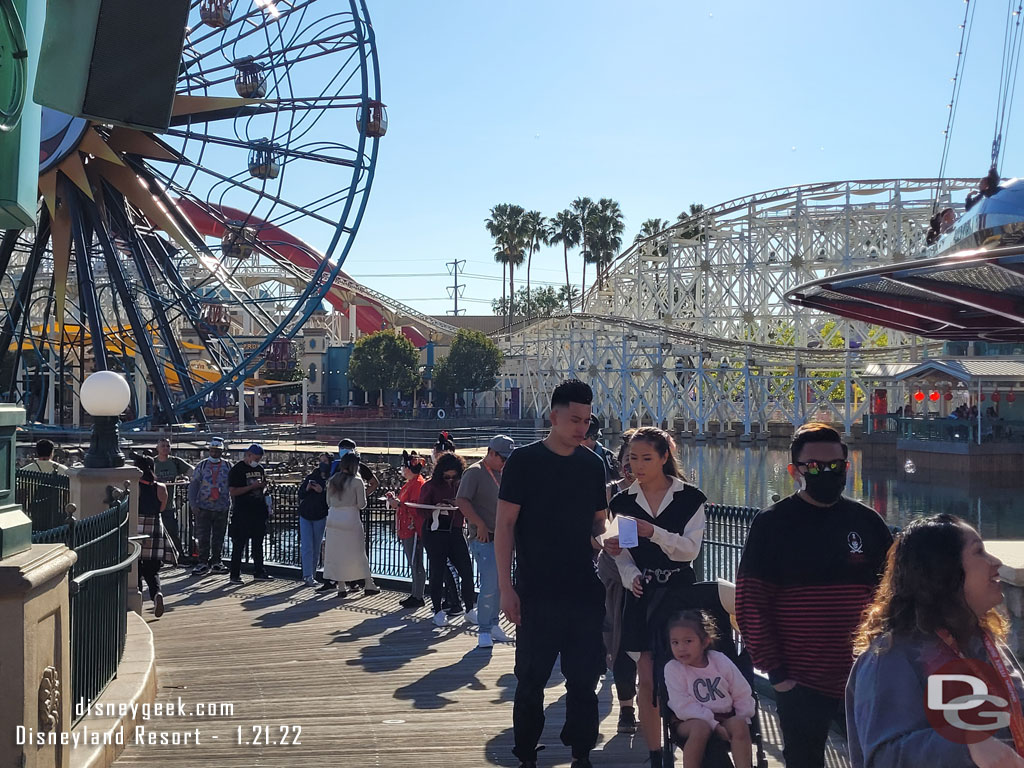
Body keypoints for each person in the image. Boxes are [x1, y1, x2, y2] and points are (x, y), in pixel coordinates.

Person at [736, 422, 894, 768]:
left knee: (875, 759)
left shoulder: (867, 522)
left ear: (847, 467)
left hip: (865, 677)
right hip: (801, 680)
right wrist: (777, 674)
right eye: (816, 467)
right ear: (795, 471)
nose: (827, 473)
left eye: (835, 466)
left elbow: (895, 594)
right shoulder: (772, 524)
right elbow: (751, 602)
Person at [847, 514, 1024, 766]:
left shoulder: (983, 641)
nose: (996, 561)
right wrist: (967, 747)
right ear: (944, 570)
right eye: (979, 552)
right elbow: (884, 758)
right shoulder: (890, 657)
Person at [496, 379, 608, 768]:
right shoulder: (524, 462)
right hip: (537, 591)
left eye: (587, 421)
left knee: (584, 681)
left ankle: (582, 752)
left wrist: (606, 538)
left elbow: (598, 522)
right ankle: (526, 752)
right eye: (575, 419)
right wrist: (505, 588)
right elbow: (505, 525)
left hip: (583, 589)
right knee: (530, 680)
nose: (582, 428)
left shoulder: (594, 464)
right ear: (553, 416)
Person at [603, 426, 707, 768]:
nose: (638, 465)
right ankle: (654, 755)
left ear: (664, 457)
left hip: (679, 592)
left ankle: (683, 739)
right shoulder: (622, 501)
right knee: (646, 675)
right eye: (633, 459)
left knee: (680, 670)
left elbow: (689, 551)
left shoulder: (690, 498)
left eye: (647, 458)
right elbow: (623, 553)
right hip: (642, 593)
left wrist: (655, 533)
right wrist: (630, 573)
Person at [664, 610, 754, 768]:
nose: (681, 648)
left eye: (688, 641)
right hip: (689, 720)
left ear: (704, 642)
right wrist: (713, 725)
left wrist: (743, 716)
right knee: (701, 728)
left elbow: (741, 690)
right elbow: (682, 706)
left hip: (725, 716)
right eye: (675, 643)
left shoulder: (719, 660)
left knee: (740, 724)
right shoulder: (673, 669)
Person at [456, 435, 515, 648]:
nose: (505, 462)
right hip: (485, 537)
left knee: (501, 584)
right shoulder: (474, 472)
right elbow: (461, 500)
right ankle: (483, 629)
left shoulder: (503, 473)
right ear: (490, 453)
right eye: (502, 457)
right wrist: (478, 523)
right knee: (490, 584)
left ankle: (494, 624)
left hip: (503, 538)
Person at [597, 431, 639, 735]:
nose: (633, 468)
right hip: (615, 571)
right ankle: (627, 707)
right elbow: (597, 525)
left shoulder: (668, 494)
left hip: (651, 573)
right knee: (622, 641)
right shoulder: (612, 493)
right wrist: (605, 541)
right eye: (628, 461)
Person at [420, 451, 476, 627]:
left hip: (456, 531)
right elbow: (420, 510)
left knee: (467, 571)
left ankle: (469, 610)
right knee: (437, 572)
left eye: (454, 476)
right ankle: (438, 611)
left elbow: (470, 505)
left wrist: (457, 504)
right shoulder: (430, 486)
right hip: (434, 532)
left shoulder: (462, 486)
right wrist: (436, 507)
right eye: (447, 477)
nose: (450, 480)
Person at [323, 452, 379, 597]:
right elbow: (361, 504)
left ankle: (341, 586)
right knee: (358, 552)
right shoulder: (357, 481)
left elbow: (328, 502)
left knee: (337, 553)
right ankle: (368, 583)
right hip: (350, 518)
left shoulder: (333, 479)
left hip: (334, 517)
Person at [386, 451, 428, 608]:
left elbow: (416, 507)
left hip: (413, 529)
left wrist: (399, 504)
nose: (401, 469)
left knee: (416, 563)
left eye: (403, 466)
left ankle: (418, 595)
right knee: (413, 562)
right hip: (406, 528)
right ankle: (415, 593)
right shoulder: (409, 483)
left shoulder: (417, 484)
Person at [228, 444, 273, 583]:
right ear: (248, 455)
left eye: (259, 459)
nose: (257, 461)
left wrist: (264, 487)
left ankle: (259, 571)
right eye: (255, 458)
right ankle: (234, 574)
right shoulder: (237, 470)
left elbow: (262, 488)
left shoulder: (259, 469)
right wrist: (251, 487)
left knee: (258, 543)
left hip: (258, 510)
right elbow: (233, 491)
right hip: (243, 511)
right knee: (239, 543)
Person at [187, 437, 231, 575]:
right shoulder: (202, 465)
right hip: (203, 507)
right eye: (212, 450)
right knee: (203, 536)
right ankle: (202, 562)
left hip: (222, 507)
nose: (214, 453)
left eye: (217, 450)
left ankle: (217, 561)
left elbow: (233, 485)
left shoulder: (228, 466)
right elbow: (193, 485)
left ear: (222, 451)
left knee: (219, 536)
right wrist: (193, 504)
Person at [135, 455, 171, 618]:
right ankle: (157, 594)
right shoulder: (161, 487)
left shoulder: (134, 487)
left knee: (134, 567)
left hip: (135, 528)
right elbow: (162, 508)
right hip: (154, 527)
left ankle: (136, 602)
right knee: (152, 570)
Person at [153, 437, 193, 565]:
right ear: (157, 448)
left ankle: (179, 556)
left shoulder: (175, 462)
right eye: (163, 446)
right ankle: (157, 557)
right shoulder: (153, 463)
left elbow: (191, 470)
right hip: (154, 504)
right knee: (155, 533)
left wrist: (185, 477)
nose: (165, 448)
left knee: (173, 532)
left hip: (170, 504)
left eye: (167, 446)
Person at [297, 453, 332, 587]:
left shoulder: (331, 479)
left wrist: (322, 491)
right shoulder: (312, 476)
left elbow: (331, 498)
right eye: (320, 461)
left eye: (325, 461)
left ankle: (313, 573)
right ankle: (307, 575)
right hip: (306, 514)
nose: (322, 463)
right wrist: (307, 488)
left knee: (316, 546)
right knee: (306, 545)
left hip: (320, 515)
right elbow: (301, 494)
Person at [582, 415, 618, 483]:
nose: (590, 441)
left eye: (594, 436)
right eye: (585, 437)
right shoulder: (564, 457)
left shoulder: (610, 458)